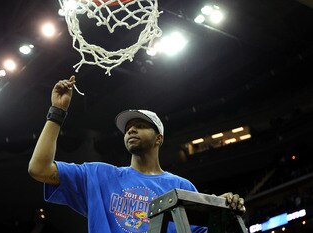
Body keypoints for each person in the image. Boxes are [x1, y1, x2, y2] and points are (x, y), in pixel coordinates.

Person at [28, 75, 246, 233]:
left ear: (159, 138)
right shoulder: (98, 175)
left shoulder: (183, 187)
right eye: (128, 128)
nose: (131, 130)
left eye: (141, 125)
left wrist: (224, 212)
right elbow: (39, 169)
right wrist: (57, 112)